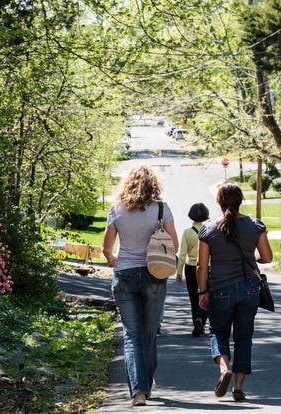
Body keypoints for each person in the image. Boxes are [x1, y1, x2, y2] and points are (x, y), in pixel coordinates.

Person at [102, 165, 178, 407]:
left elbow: (107, 247)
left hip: (124, 275)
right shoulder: (161, 209)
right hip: (154, 275)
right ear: (154, 184)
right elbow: (174, 245)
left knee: (132, 335)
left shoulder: (117, 209)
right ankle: (146, 382)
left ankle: (139, 392)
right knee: (149, 334)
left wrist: (112, 259)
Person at [196, 182, 272, 402]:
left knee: (218, 332)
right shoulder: (255, 225)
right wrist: (251, 258)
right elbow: (267, 258)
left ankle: (223, 370)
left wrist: (203, 291)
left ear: (219, 202)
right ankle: (238, 387)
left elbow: (202, 266)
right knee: (243, 338)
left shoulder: (208, 230)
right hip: (250, 288)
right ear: (241, 201)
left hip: (220, 289)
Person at [176, 202, 210, 337]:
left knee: (193, 297)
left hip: (191, 268)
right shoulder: (209, 230)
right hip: (207, 267)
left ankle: (196, 319)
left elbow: (182, 254)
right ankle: (201, 319)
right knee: (206, 295)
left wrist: (179, 272)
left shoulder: (187, 233)